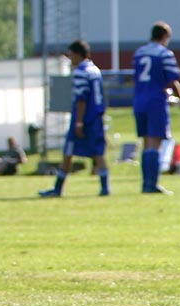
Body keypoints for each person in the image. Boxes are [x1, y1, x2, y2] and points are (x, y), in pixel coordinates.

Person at [40, 41, 108, 198]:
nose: (69, 57)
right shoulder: (95, 70)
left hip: (84, 117)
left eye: (70, 53)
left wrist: (79, 121)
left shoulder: (81, 72)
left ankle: (58, 188)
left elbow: (82, 98)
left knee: (68, 151)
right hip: (96, 116)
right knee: (98, 152)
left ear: (77, 53)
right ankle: (105, 186)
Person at [132, 22, 180, 194]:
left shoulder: (139, 52)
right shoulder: (164, 53)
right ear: (165, 36)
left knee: (146, 142)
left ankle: (145, 183)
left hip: (139, 99)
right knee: (155, 143)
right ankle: (152, 184)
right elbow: (172, 79)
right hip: (155, 100)